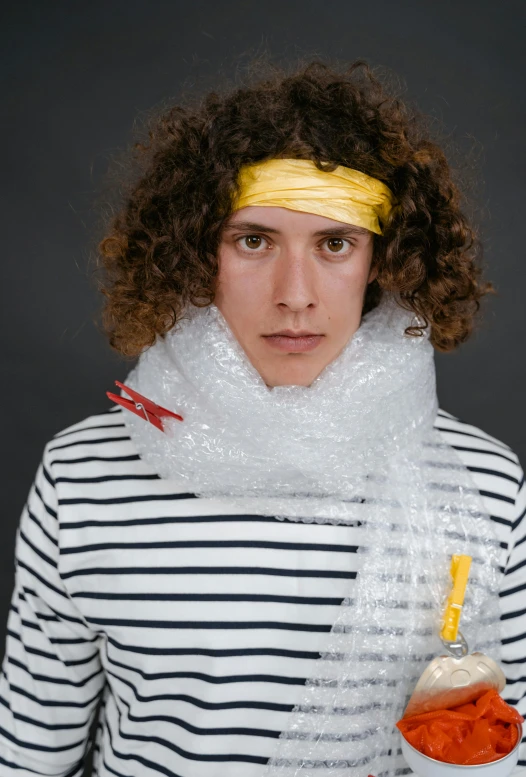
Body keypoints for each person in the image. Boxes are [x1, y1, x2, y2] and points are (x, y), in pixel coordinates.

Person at [1, 58, 524, 777]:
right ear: (195, 251)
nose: (295, 294)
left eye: (335, 243)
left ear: (381, 259)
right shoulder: (83, 473)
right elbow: (27, 753)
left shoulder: (481, 487)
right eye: (253, 240)